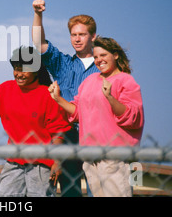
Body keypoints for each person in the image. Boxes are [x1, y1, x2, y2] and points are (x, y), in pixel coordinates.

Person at [48, 36, 144, 197]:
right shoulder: (90, 81)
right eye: (96, 56)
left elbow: (133, 118)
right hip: (90, 158)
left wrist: (110, 98)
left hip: (115, 158)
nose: (99, 60)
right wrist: (58, 99)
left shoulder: (126, 81)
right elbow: (78, 112)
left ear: (116, 55)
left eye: (103, 55)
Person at [0, 46, 72, 197]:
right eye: (16, 69)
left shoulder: (47, 94)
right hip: (14, 161)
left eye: (24, 69)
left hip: (41, 164)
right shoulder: (6, 89)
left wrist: (57, 162)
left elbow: (58, 132)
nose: (19, 74)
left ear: (36, 70)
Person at [32, 0, 99, 196]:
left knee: (99, 189)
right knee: (70, 191)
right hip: (67, 135)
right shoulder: (62, 64)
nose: (77, 39)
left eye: (82, 35)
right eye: (73, 35)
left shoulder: (104, 67)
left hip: (96, 135)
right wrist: (38, 14)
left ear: (93, 36)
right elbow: (39, 43)